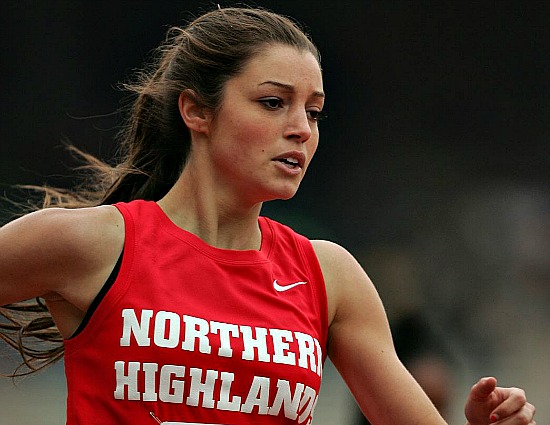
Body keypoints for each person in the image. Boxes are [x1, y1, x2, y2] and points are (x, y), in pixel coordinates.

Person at [0, 6, 536, 425]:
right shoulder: (94, 246)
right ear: (196, 110)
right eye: (274, 102)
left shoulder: (331, 276)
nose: (302, 128)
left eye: (315, 111)